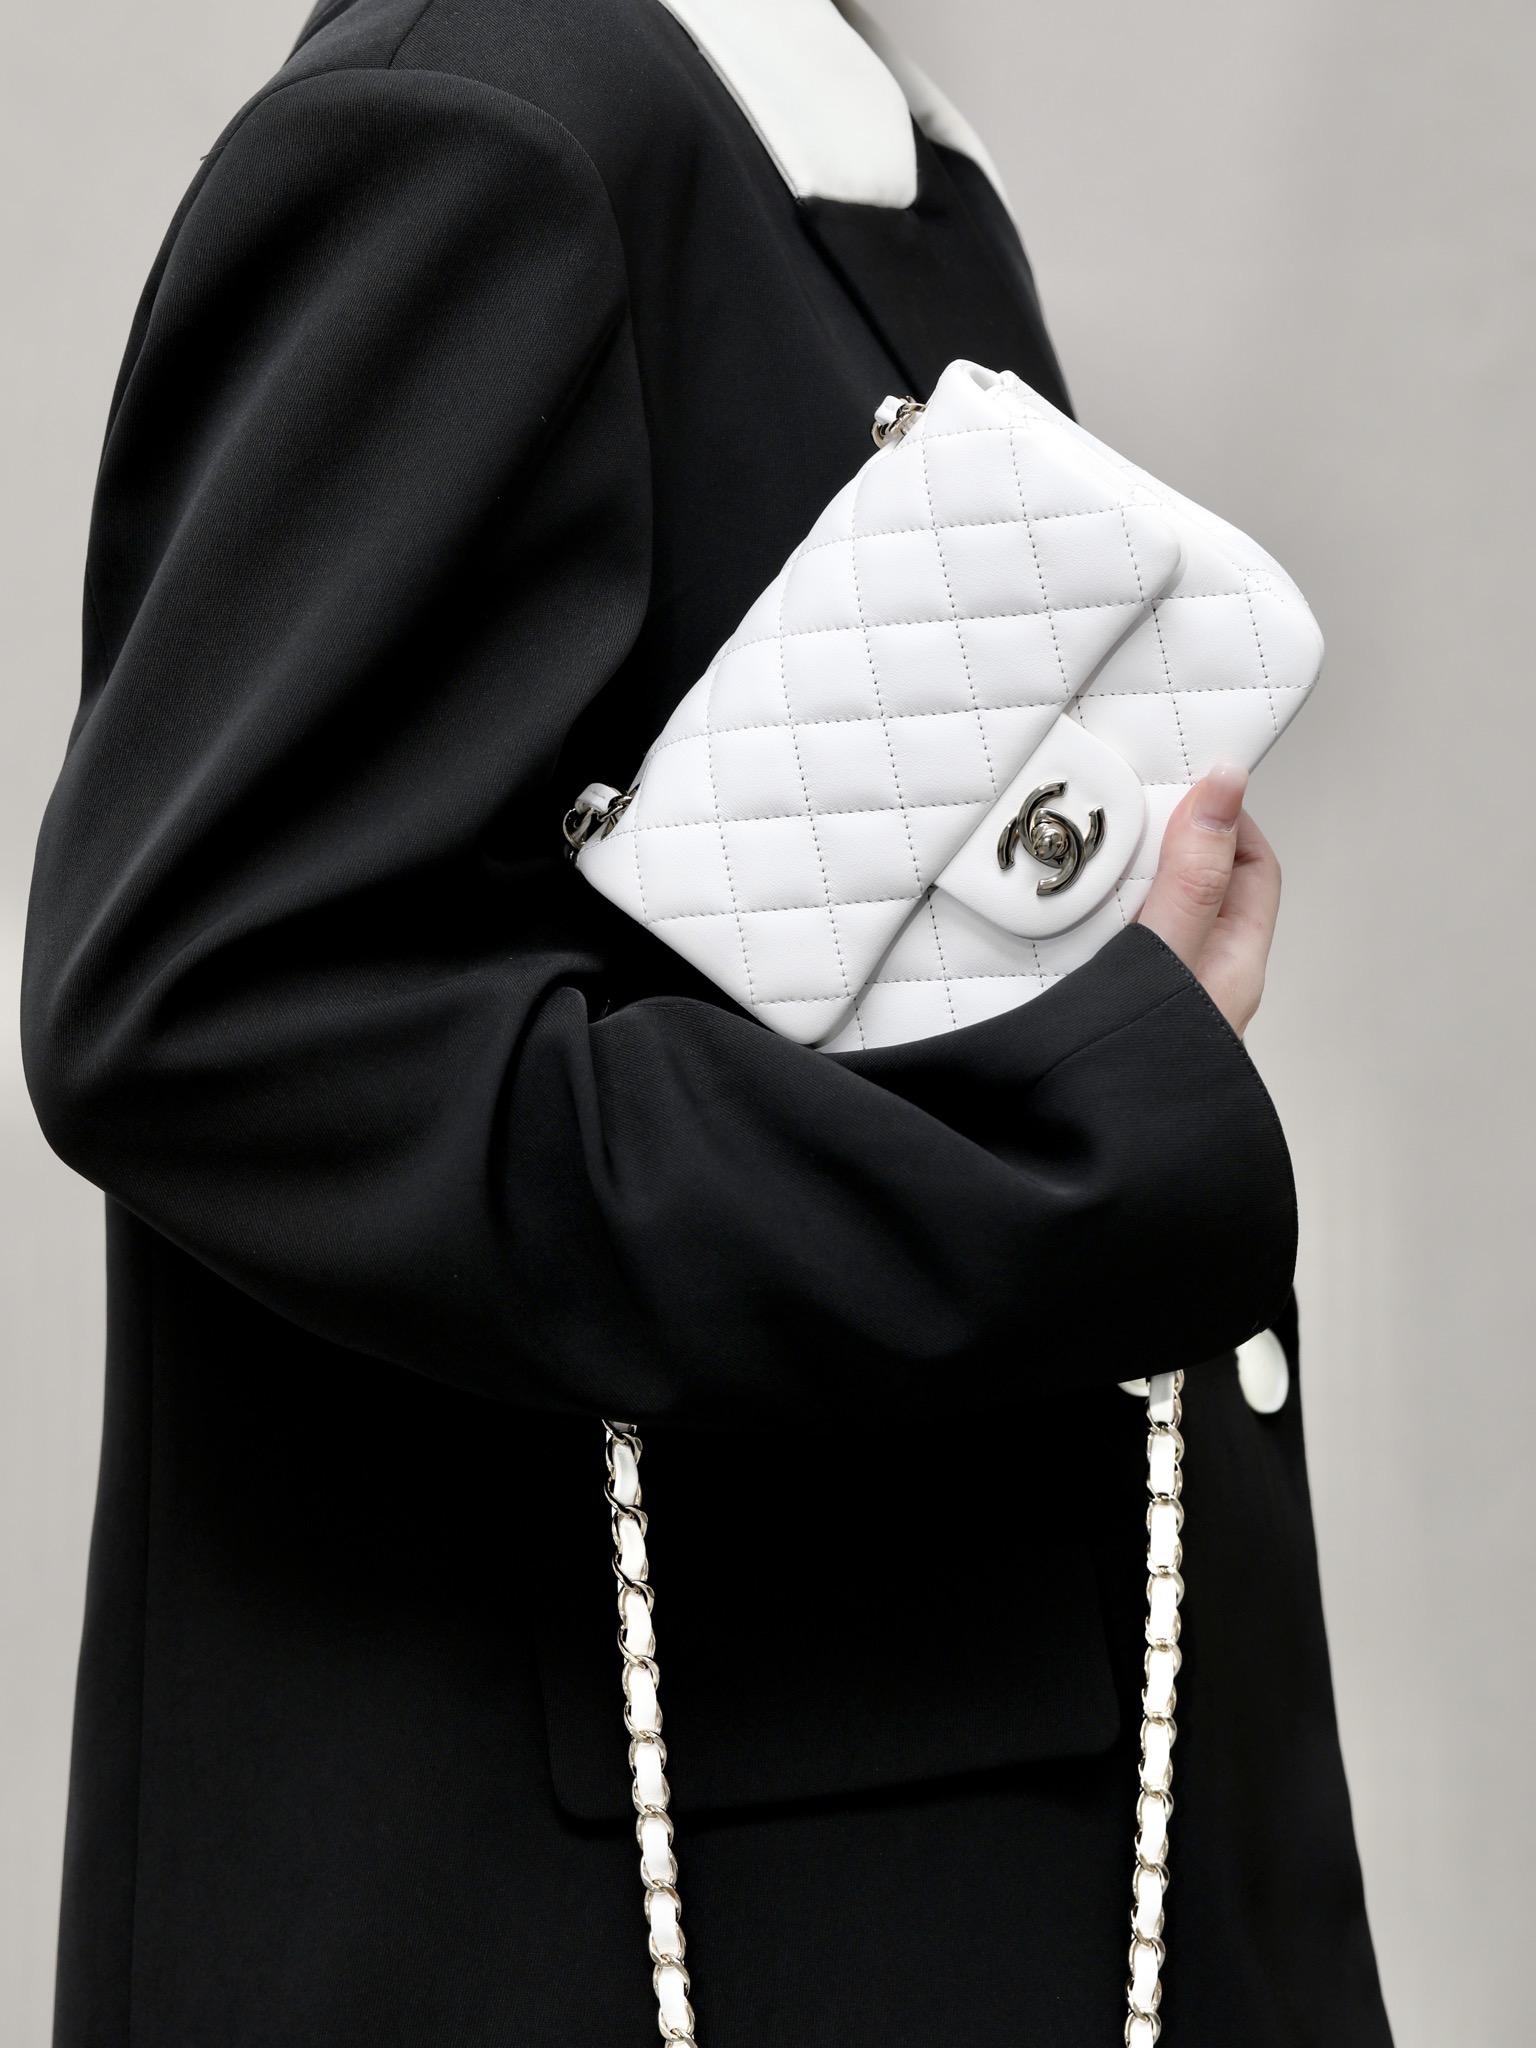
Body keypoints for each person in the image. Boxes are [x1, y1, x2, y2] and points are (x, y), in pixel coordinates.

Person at [21, 0, 1394, 2042]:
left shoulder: (828, 155)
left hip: (927, 1836)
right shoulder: (484, 126)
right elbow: (219, 1013)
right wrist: (1078, 1122)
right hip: (694, 1919)